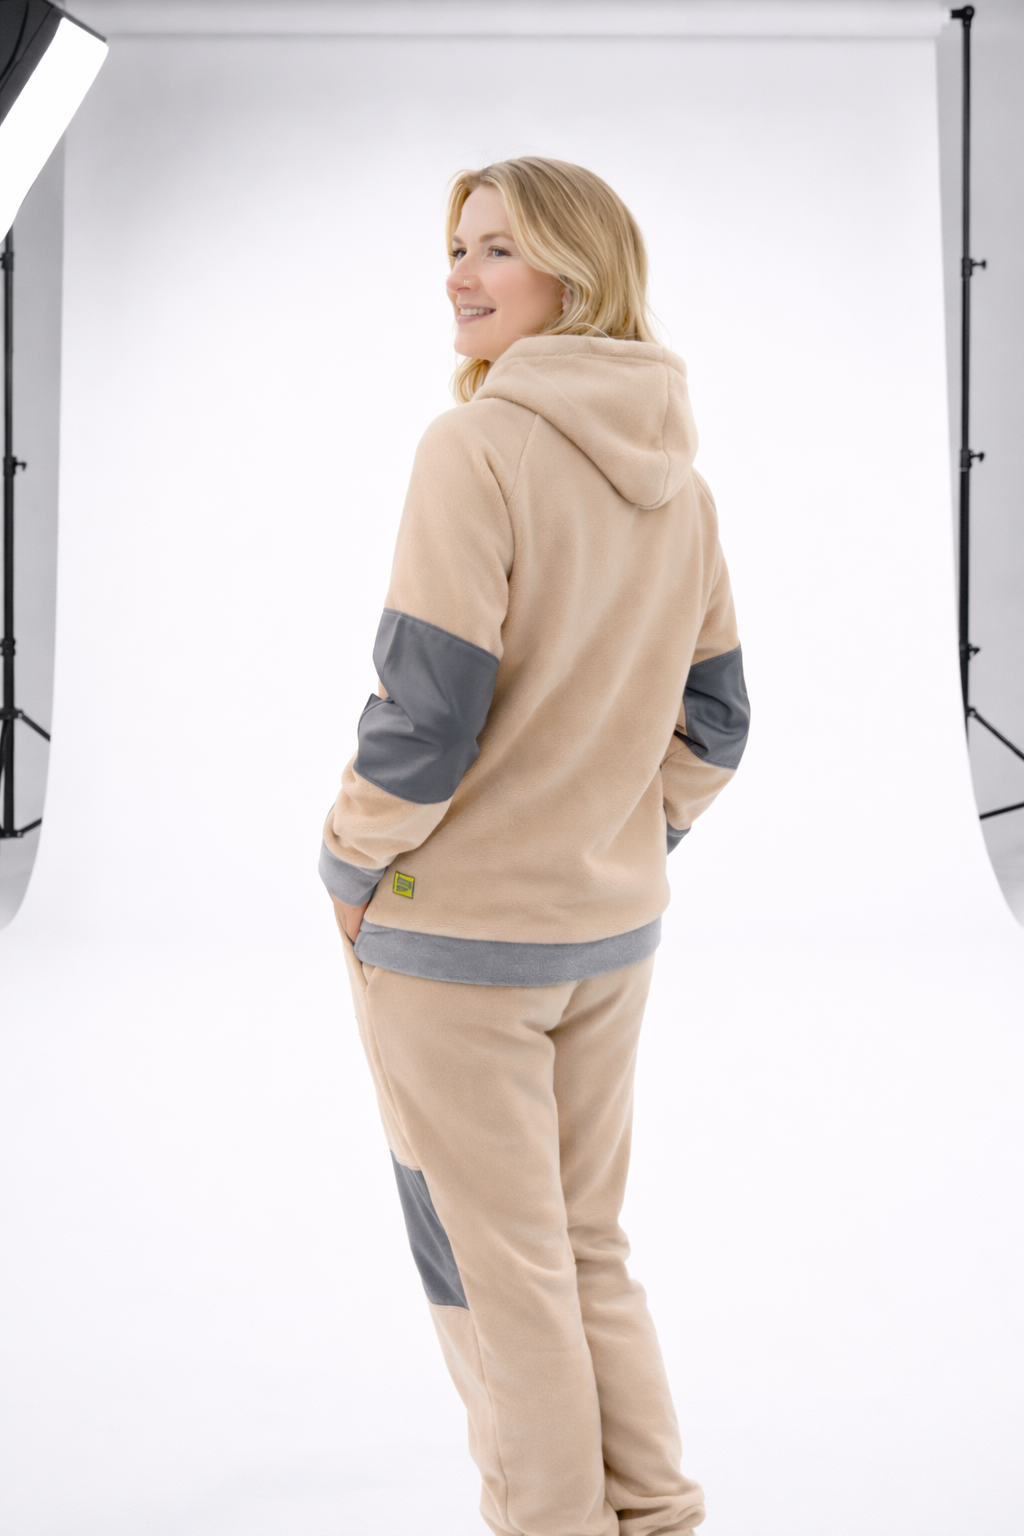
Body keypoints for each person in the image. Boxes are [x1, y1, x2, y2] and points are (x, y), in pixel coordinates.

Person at [319, 156, 749, 1536]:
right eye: (458, 247)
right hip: (609, 936)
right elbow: (720, 723)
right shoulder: (682, 483)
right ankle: (655, 1515)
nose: (460, 275)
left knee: (494, 1270)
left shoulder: (477, 447)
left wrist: (349, 863)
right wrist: (622, 832)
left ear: (576, 271)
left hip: (456, 945)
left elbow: (427, 712)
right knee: (583, 1247)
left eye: (497, 248)